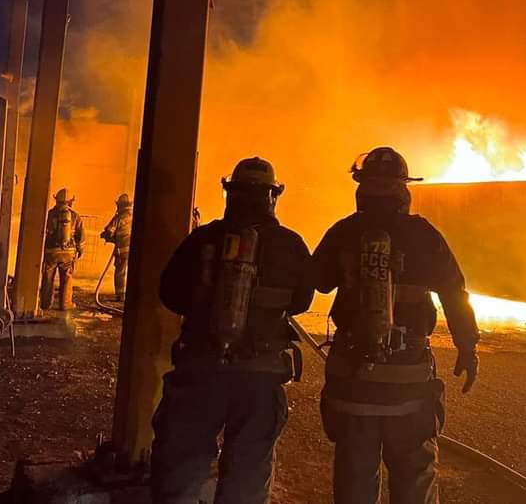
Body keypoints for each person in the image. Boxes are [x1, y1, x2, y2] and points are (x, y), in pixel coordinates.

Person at [311, 147, 480, 504]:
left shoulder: (344, 231)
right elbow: (454, 291)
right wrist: (467, 346)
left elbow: (317, 281)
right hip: (410, 383)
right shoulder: (424, 235)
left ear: (362, 189)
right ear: (402, 189)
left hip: (353, 381)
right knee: (414, 479)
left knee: (354, 478)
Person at [151, 157, 314, 504]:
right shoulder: (291, 244)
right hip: (260, 375)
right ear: (273, 196)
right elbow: (302, 302)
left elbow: (169, 294)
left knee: (182, 464)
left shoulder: (203, 239)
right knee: (248, 474)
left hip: (200, 369)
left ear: (230, 193)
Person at [40, 188, 85, 311]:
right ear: (71, 202)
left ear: (57, 200)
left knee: (48, 277)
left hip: (51, 252)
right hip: (68, 253)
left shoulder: (49, 214)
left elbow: (42, 232)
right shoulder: (75, 216)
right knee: (67, 278)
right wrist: (80, 250)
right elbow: (80, 236)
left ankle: (45, 304)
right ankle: (65, 304)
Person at [100, 193, 133, 300]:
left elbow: (109, 231)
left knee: (120, 272)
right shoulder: (134, 216)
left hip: (122, 250)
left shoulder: (118, 217)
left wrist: (105, 236)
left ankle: (120, 295)